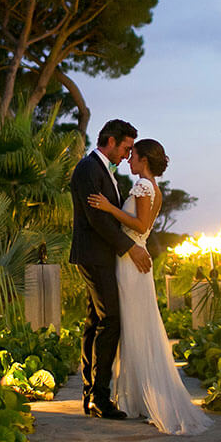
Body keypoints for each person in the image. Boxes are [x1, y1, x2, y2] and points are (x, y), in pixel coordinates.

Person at [88, 138, 213, 435]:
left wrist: (108, 207)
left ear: (144, 160)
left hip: (131, 262)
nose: (128, 160)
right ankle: (139, 398)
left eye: (133, 156)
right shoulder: (150, 187)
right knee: (136, 327)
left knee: (136, 328)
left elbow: (141, 225)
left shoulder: (144, 187)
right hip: (133, 260)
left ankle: (147, 398)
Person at [69, 119, 152, 420]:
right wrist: (129, 248)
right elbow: (97, 219)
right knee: (111, 320)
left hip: (101, 255)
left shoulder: (101, 169)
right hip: (95, 255)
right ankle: (100, 398)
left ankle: (92, 395)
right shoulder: (89, 168)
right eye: (126, 148)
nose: (127, 155)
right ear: (112, 141)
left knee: (96, 321)